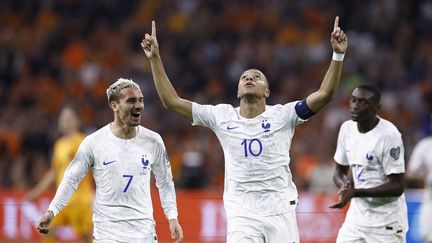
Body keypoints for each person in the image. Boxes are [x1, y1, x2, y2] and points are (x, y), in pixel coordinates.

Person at [142, 16, 347, 242]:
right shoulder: (221, 116)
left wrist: (338, 55)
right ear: (238, 91)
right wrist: (155, 59)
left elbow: (325, 94)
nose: (249, 78)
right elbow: (171, 101)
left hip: (280, 209)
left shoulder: (284, 115)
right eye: (244, 77)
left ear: (266, 92)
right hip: (242, 213)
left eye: (256, 77)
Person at [36, 78, 183, 243]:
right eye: (131, 101)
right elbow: (70, 179)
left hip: (144, 235)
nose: (138, 106)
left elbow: (165, 182)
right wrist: (52, 210)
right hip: (107, 236)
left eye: (141, 100)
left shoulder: (153, 141)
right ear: (114, 105)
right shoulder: (94, 142)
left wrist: (172, 217)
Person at [330, 83, 408, 242]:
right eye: (353, 100)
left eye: (363, 102)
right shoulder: (347, 129)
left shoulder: (389, 135)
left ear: (376, 107)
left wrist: (357, 192)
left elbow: (397, 186)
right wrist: (344, 187)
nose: (355, 106)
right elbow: (339, 172)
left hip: (386, 223)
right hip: (356, 220)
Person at [26, 105, 94, 243]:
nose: (64, 121)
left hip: (81, 201)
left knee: (88, 238)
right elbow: (53, 172)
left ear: (77, 121)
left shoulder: (84, 142)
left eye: (68, 118)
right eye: (62, 118)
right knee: (47, 230)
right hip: (61, 201)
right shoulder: (59, 144)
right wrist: (36, 192)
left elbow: (96, 169)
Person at [407, 118, 432, 243]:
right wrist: (423, 175)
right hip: (430, 200)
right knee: (427, 237)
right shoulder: (425, 146)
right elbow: (410, 173)